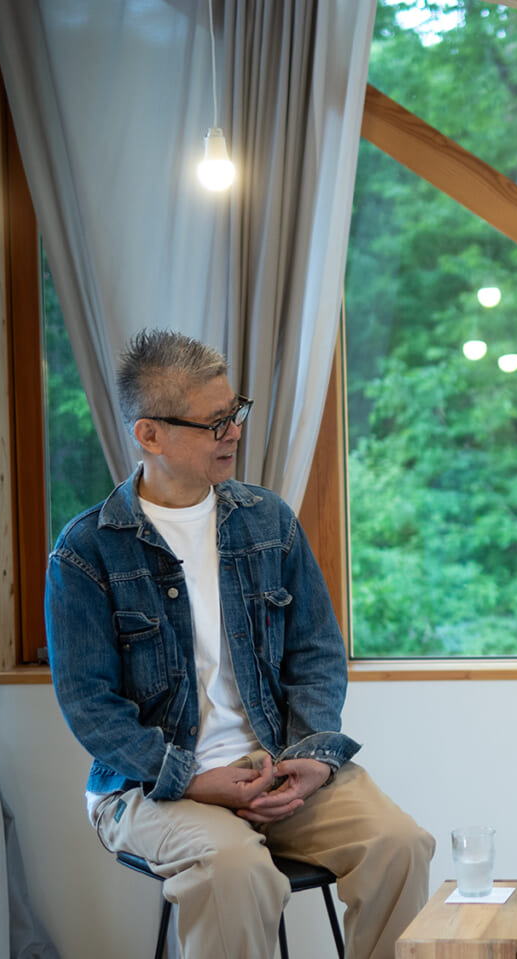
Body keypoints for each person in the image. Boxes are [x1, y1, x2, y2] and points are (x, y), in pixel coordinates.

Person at [45, 330, 434, 959]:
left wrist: (313, 757)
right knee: (235, 870)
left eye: (236, 412)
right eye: (214, 422)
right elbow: (90, 705)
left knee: (400, 844)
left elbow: (316, 653)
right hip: (149, 785)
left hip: (276, 764)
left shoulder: (267, 520)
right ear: (150, 435)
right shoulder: (87, 550)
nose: (234, 432)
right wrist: (193, 779)